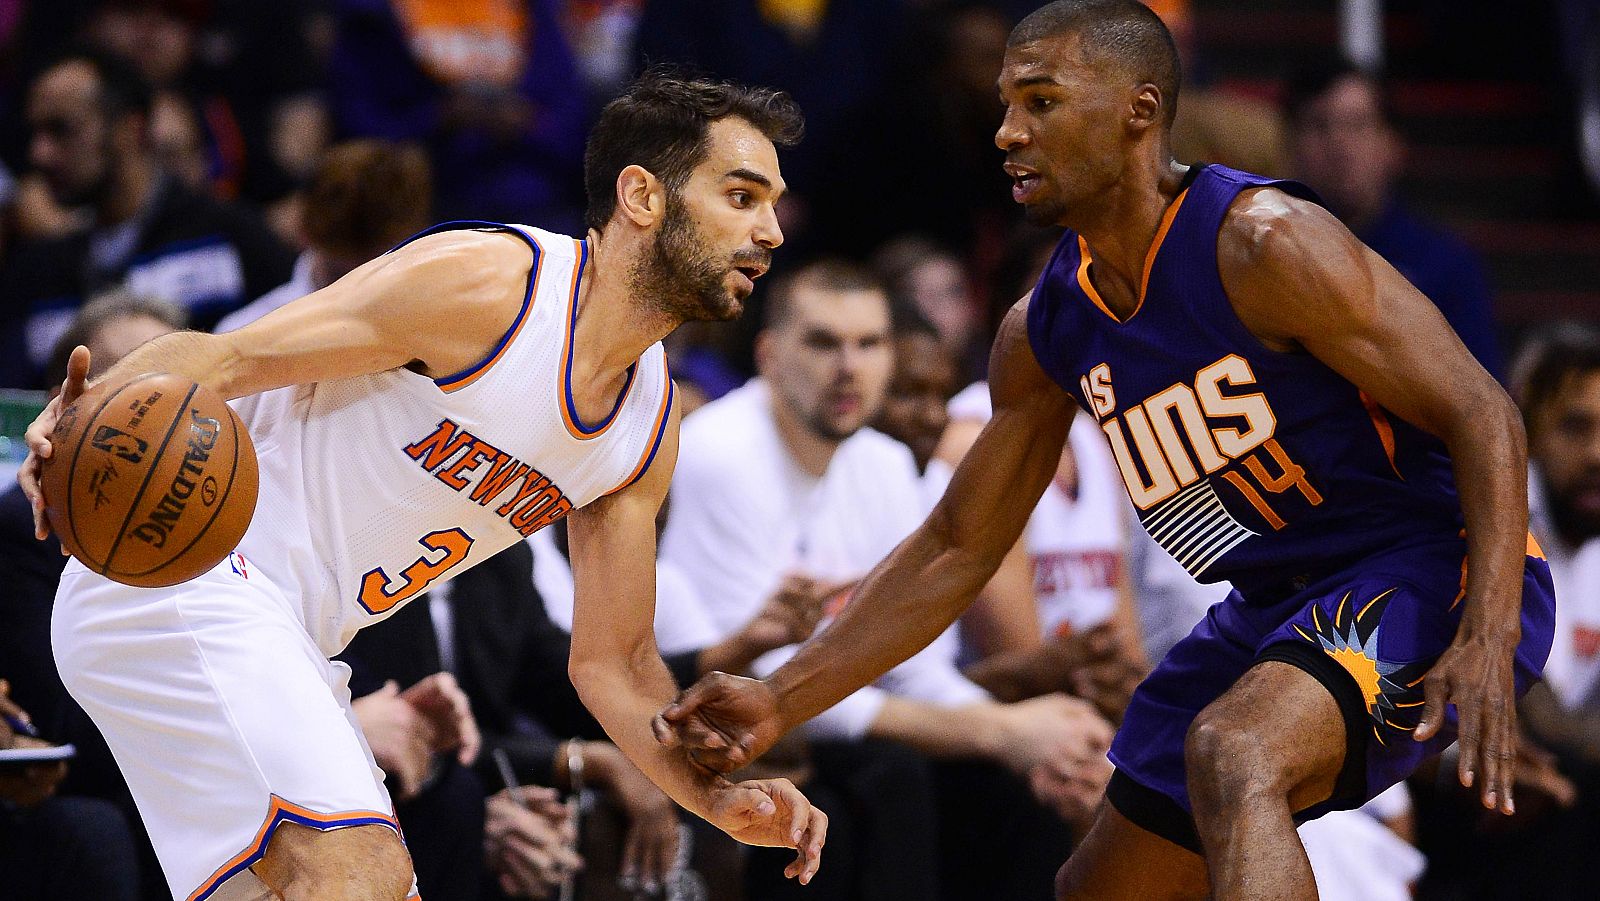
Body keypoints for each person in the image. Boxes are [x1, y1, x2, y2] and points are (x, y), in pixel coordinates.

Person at [653, 3, 1556, 900]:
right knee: (1097, 886)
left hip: (1430, 567)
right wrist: (781, 697)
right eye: (1007, 104)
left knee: (1237, 750)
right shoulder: (1046, 329)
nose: (1008, 132)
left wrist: (1490, 629)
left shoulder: (1266, 243)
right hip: (1273, 604)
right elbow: (955, 547)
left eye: (1041, 102)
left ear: (1139, 110)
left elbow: (1484, 410)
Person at [20, 69, 826, 901]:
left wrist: (713, 797)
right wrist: (83, 416)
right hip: (188, 576)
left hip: (293, 638)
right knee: (358, 872)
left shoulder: (647, 425)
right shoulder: (493, 286)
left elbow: (613, 664)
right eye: (741, 196)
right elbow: (225, 358)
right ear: (642, 197)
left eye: (772, 204)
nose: (769, 231)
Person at [660, 259, 1115, 898]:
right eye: (823, 343)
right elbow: (756, 689)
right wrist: (1000, 729)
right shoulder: (718, 450)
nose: (849, 367)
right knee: (888, 775)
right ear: (768, 355)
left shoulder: (885, 464)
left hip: (839, 731)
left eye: (869, 344)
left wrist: (1040, 741)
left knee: (1022, 789)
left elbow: (917, 668)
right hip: (725, 735)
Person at [0, 48, 296, 387]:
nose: (40, 153)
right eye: (35, 133)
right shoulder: (36, 271)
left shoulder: (227, 236)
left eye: (61, 129)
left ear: (131, 128)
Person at [1284, 59, 1505, 382]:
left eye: (1357, 125)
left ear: (1393, 145)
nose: (1339, 145)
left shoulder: (1446, 266)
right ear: (1289, 143)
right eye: (1319, 125)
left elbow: (1482, 391)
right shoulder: (1269, 256)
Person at [217, 140, 434, 332]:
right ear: (304, 232)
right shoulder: (242, 335)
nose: (359, 281)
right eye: (344, 272)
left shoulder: (441, 323)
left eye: (377, 261)